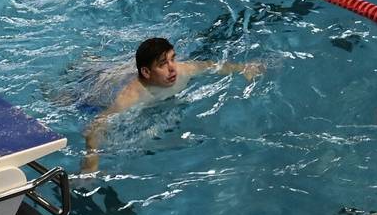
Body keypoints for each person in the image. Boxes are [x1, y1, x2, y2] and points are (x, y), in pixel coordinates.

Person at [81, 37, 263, 170]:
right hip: (96, 89)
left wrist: (243, 68)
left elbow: (211, 65)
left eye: (173, 59)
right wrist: (91, 164)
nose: (172, 67)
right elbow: (95, 126)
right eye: (163, 64)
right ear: (146, 72)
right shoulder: (132, 96)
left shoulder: (183, 70)